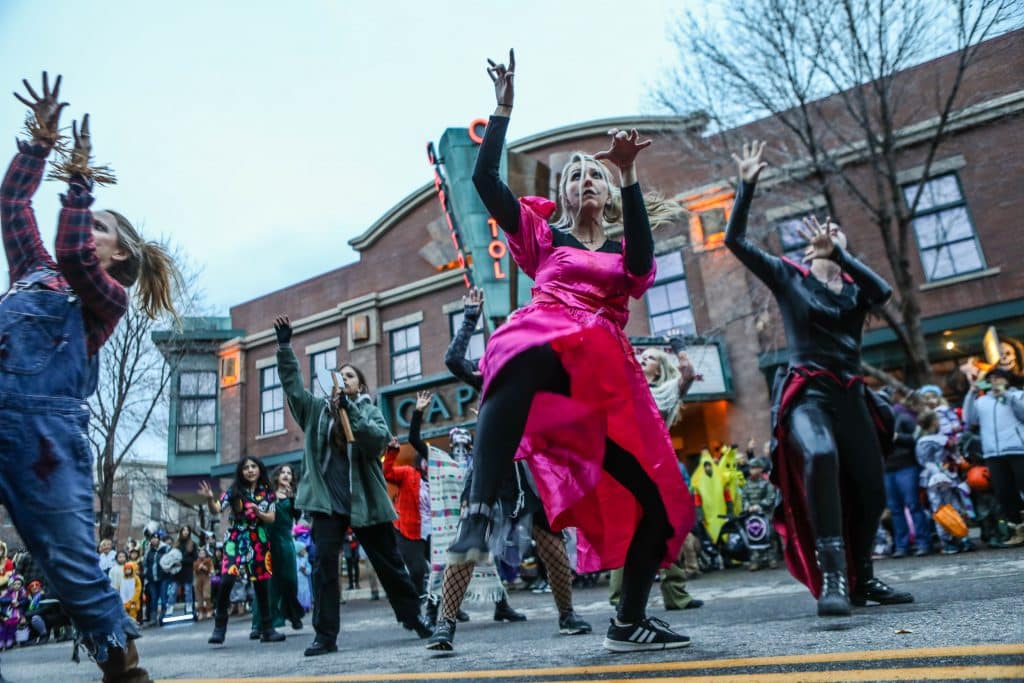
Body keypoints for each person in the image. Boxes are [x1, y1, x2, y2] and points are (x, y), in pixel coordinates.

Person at [446, 50, 692, 653]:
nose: (586, 180)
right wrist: (502, 111)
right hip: (553, 365)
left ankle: (629, 619)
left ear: (608, 194)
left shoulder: (622, 244)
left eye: (595, 176)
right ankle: (479, 515)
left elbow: (637, 265)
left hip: (605, 385)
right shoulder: (541, 238)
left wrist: (629, 173)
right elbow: (484, 183)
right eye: (575, 175)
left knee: (662, 505)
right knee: (517, 344)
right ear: (562, 192)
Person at [2, 72, 181, 682]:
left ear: (120, 256)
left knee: (70, 564)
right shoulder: (31, 268)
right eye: (89, 219)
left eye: (100, 226)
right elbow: (12, 204)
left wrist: (79, 183)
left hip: (45, 440)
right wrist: (39, 146)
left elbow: (74, 251)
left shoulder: (104, 299)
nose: (87, 230)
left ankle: (122, 666)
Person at [723, 140, 912, 617]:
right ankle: (832, 581)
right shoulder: (789, 277)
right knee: (822, 454)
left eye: (835, 231)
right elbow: (736, 243)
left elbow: (883, 291)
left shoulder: (854, 290)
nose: (827, 235)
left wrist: (844, 257)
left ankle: (863, 578)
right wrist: (745, 188)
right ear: (808, 248)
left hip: (851, 395)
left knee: (871, 486)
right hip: (808, 393)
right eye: (822, 234)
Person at [428, 288, 592, 651]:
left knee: (550, 541)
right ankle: (445, 625)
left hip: (531, 470)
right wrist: (470, 317)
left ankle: (567, 614)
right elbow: (455, 361)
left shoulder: (541, 374)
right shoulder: (490, 374)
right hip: (491, 470)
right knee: (468, 539)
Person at [272, 315, 431, 657]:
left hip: (366, 502)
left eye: (350, 377)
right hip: (327, 504)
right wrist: (285, 349)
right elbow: (292, 388)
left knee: (389, 563)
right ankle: (325, 636)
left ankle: (414, 617)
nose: (343, 380)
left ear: (359, 387)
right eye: (339, 376)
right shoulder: (316, 411)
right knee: (323, 567)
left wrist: (351, 412)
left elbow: (376, 443)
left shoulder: (369, 411)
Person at [611, 341, 703, 610]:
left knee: (663, 527)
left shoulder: (665, 392)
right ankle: (620, 600)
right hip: (627, 467)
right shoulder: (626, 387)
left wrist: (680, 348)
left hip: (657, 468)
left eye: (650, 358)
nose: (643, 360)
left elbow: (687, 373)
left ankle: (676, 595)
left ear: (659, 368)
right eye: (643, 356)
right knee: (626, 533)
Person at [198, 457, 286, 645]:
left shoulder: (268, 492)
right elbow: (216, 509)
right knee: (227, 580)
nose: (250, 470)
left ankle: (267, 629)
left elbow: (271, 517)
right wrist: (208, 498)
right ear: (241, 472)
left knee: (262, 584)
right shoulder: (234, 491)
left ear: (260, 469)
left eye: (253, 466)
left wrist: (258, 512)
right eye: (246, 467)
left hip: (259, 537)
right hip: (236, 538)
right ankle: (219, 628)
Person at [962, 367, 1024, 546]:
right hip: (992, 453)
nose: (995, 381)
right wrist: (971, 393)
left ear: (1007, 380)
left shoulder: (1018, 395)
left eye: (999, 378)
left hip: (1017, 449)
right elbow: (969, 419)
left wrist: (1008, 396)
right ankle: (1017, 529)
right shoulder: (982, 401)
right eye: (992, 379)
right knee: (1004, 492)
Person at [251, 464, 304, 635]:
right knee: (268, 583)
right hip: (269, 541)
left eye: (289, 473)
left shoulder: (293, 496)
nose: (286, 475)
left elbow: (297, 517)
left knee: (289, 580)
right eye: (283, 472)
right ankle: (260, 624)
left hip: (286, 541)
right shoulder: (268, 495)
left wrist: (293, 498)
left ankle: (292, 614)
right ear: (277, 476)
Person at [383, 415, 431, 599]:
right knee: (418, 570)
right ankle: (416, 599)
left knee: (442, 567)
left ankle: (450, 606)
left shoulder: (440, 479)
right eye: (425, 459)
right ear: (420, 462)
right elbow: (387, 473)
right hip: (408, 531)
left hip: (434, 531)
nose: (429, 463)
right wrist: (392, 452)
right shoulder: (409, 474)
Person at [915, 411, 974, 555]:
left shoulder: (938, 439)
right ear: (934, 422)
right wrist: (938, 473)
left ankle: (958, 538)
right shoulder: (926, 441)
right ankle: (951, 540)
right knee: (943, 509)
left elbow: (952, 457)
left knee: (948, 507)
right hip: (936, 479)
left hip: (947, 477)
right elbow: (926, 461)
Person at [884, 391, 931, 558]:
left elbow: (917, 439)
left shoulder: (902, 417)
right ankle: (902, 546)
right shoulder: (874, 423)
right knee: (895, 509)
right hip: (887, 469)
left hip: (906, 466)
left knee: (913, 505)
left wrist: (898, 437)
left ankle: (923, 543)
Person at [742, 458, 779, 570]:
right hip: (752, 517)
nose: (751, 470)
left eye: (754, 468)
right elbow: (744, 498)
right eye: (750, 468)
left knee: (770, 536)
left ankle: (772, 558)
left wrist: (759, 506)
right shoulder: (747, 484)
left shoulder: (767, 483)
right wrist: (748, 507)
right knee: (753, 538)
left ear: (760, 469)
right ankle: (755, 560)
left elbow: (770, 498)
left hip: (765, 514)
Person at [165, 525, 197, 616]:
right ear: (181, 532)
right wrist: (174, 562)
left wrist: (182, 561)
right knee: (173, 590)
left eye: (187, 530)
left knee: (188, 590)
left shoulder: (193, 544)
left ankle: (189, 606)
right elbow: (171, 557)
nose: (185, 532)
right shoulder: (176, 544)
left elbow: (194, 558)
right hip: (176, 571)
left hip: (187, 570)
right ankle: (170, 607)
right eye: (184, 530)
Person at [142, 535, 168, 626]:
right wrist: (146, 576)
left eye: (156, 538)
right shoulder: (148, 551)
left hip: (163, 577)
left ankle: (163, 616)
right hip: (151, 578)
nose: (154, 540)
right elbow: (145, 564)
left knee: (164, 597)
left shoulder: (165, 549)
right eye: (152, 538)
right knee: (154, 598)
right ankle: (153, 618)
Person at [193, 548, 214, 621]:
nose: (202, 554)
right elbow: (195, 569)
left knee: (207, 596)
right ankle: (200, 612)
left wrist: (206, 568)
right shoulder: (196, 561)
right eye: (200, 553)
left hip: (206, 580)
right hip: (198, 580)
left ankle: (209, 610)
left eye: (203, 553)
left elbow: (211, 570)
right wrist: (199, 567)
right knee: (199, 597)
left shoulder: (208, 561)